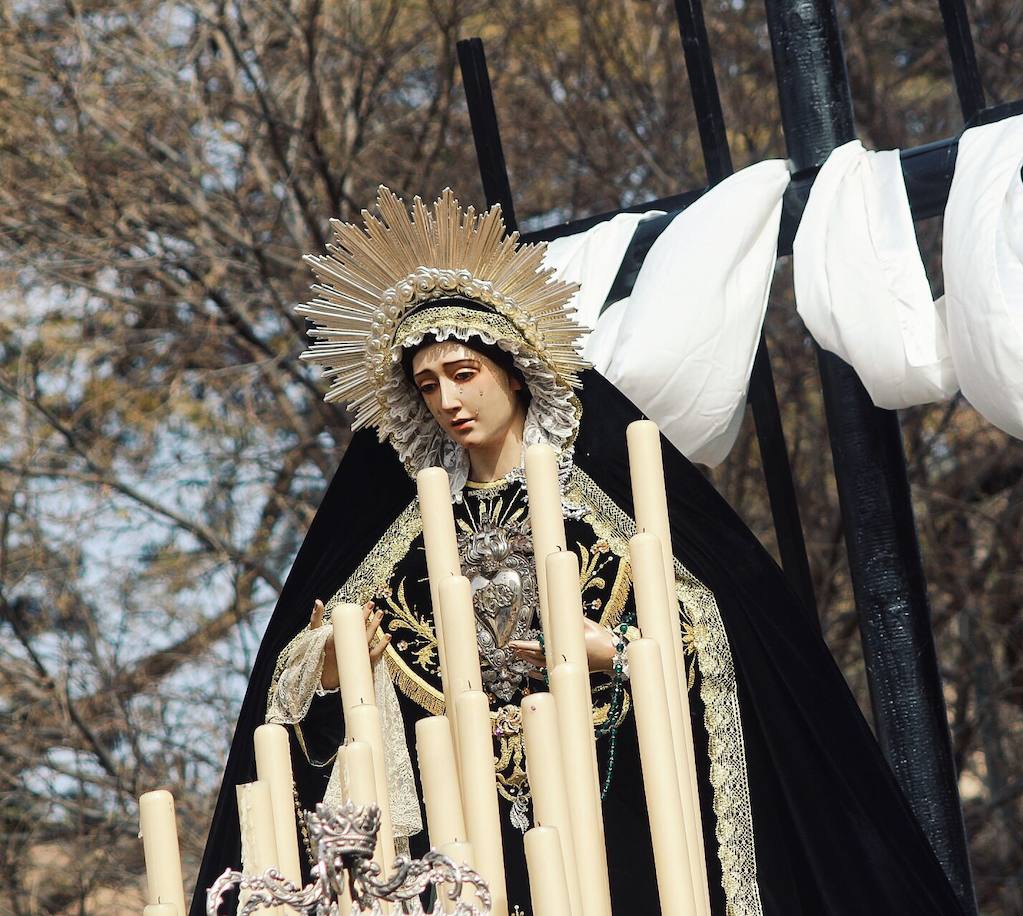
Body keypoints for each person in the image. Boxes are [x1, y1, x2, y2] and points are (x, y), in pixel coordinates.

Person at [191, 189, 964, 915]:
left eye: (464, 374)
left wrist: (623, 655)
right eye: (427, 386)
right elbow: (302, 717)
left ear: (515, 371)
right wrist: (330, 674)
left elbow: (743, 641)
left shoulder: (608, 493)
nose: (450, 402)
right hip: (471, 843)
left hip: (621, 805)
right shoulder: (395, 538)